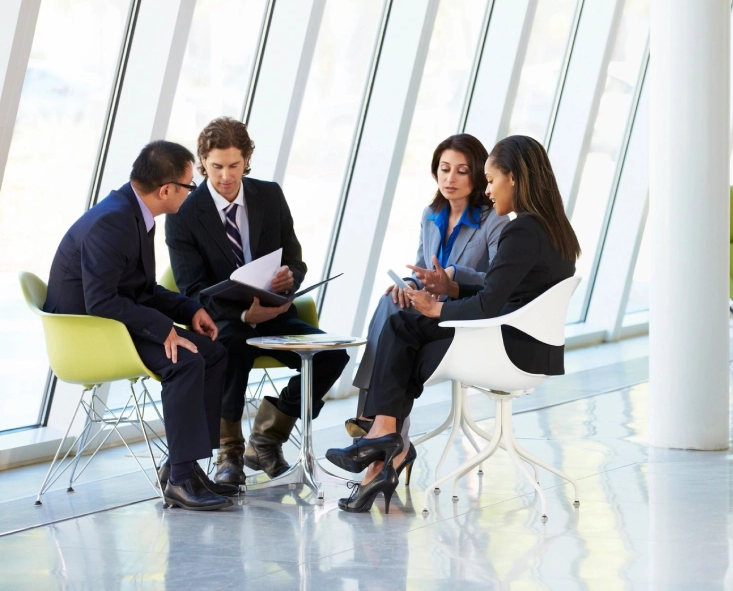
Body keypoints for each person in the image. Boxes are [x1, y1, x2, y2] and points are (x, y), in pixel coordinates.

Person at [326, 135, 581, 513]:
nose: (489, 191)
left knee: (403, 329)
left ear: (514, 178)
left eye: (491, 179)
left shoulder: (521, 229)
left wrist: (437, 310)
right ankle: (384, 441)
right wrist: (451, 287)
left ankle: (384, 436)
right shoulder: (554, 228)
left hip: (506, 347)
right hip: (528, 344)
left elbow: (491, 302)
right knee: (403, 325)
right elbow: (506, 289)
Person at [44, 141, 235, 512]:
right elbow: (100, 301)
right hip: (91, 334)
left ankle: (186, 466)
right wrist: (166, 329)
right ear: (166, 191)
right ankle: (180, 479)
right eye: (189, 185)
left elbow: (140, 289)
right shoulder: (113, 221)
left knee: (212, 353)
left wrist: (188, 308)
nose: (192, 193)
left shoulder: (134, 212)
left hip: (114, 323)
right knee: (184, 360)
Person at [165, 117, 349, 485]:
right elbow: (192, 288)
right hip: (222, 319)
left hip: (276, 313)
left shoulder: (269, 195)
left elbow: (295, 258)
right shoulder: (184, 213)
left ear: (247, 158)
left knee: (332, 355)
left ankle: (266, 438)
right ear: (203, 161)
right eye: (216, 167)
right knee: (232, 345)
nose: (226, 176)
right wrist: (245, 312)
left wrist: (290, 277)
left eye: (234, 165)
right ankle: (228, 453)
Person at [344, 134, 508, 480]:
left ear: (477, 175)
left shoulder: (493, 218)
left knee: (395, 322)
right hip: (428, 311)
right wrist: (412, 287)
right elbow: (422, 267)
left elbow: (496, 282)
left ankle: (377, 424)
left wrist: (452, 277)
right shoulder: (431, 214)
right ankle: (389, 437)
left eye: (462, 171)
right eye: (444, 169)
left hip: (464, 317)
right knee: (391, 300)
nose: (450, 178)